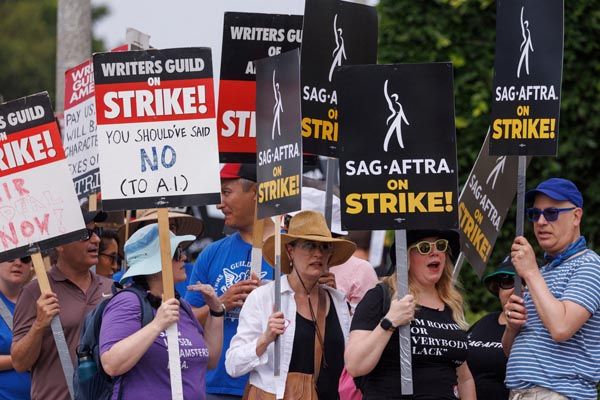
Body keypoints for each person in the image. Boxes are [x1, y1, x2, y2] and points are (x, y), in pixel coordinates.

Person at [225, 210, 356, 399]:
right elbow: (233, 365)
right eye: (310, 246)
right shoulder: (264, 297)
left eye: (325, 247)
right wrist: (265, 339)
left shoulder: (338, 301)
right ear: (290, 251)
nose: (318, 254)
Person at [345, 229, 476, 400]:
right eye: (424, 247)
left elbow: (464, 378)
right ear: (406, 256)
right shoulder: (381, 296)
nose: (435, 252)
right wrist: (389, 322)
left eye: (441, 246)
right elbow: (354, 365)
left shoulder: (452, 304)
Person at [99, 223, 224, 399]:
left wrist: (216, 311)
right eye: (177, 252)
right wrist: (157, 325)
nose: (184, 257)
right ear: (156, 263)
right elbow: (111, 364)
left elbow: (210, 360)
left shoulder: (180, 305)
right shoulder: (128, 302)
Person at [502, 178, 600, 400]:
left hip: (559, 393)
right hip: (520, 393)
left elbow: (561, 327)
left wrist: (531, 273)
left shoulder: (590, 265)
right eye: (535, 214)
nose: (541, 222)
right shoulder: (543, 273)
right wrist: (511, 327)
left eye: (552, 213)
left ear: (576, 216)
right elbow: (509, 351)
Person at [185, 163, 274, 400]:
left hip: (270, 385)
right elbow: (186, 320)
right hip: (216, 386)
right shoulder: (212, 253)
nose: (218, 204)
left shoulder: (290, 250)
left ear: (255, 192)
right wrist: (220, 305)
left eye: (226, 193)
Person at [11, 209, 113, 400]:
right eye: (85, 234)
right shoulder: (35, 291)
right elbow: (19, 362)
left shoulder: (111, 287)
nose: (96, 240)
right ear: (60, 245)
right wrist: (39, 325)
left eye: (96, 232)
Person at [467, 256, 516, 400]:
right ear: (498, 290)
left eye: (523, 282)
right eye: (507, 282)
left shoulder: (540, 329)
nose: (516, 289)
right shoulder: (485, 321)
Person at [0, 256, 33, 400]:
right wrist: (22, 360)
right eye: (10, 256)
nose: (18, 263)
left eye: (25, 258)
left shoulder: (40, 300)